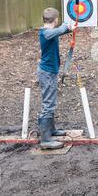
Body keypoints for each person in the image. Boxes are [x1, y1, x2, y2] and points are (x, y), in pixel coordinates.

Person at [37, 8, 75, 150]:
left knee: (51, 100)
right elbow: (54, 32)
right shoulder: (45, 32)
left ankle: (51, 130)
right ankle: (45, 140)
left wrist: (70, 28)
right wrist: (66, 26)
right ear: (56, 20)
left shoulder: (51, 32)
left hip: (50, 72)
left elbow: (59, 31)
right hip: (46, 73)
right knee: (48, 103)